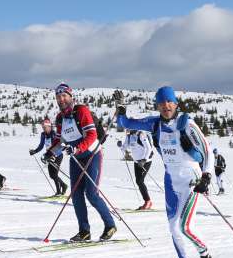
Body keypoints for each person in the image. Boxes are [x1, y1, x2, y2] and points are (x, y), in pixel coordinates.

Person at [115, 86, 215, 258]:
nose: (166, 106)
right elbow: (126, 122)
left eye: (169, 102)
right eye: (162, 103)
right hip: (171, 180)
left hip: (191, 180)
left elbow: (207, 149)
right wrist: (120, 108)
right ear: (158, 105)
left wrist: (207, 176)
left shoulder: (186, 124)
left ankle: (206, 257)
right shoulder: (154, 124)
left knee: (185, 227)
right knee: (172, 227)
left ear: (176, 104)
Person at [44, 83, 116, 242]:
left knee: (92, 194)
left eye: (64, 96)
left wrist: (77, 148)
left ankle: (110, 225)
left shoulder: (81, 111)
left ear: (70, 97)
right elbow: (59, 140)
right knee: (76, 195)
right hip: (76, 158)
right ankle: (84, 231)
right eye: (58, 97)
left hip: (92, 155)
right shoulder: (59, 118)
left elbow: (91, 135)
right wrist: (50, 153)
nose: (61, 99)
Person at [30, 119, 67, 196]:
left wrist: (54, 155)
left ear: (49, 126)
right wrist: (35, 151)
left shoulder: (54, 134)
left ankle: (58, 192)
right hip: (49, 155)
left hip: (57, 155)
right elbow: (41, 145)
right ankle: (64, 185)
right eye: (43, 127)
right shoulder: (43, 134)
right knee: (51, 175)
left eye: (45, 127)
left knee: (54, 174)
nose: (44, 129)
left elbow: (60, 146)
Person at [121, 129, 155, 209]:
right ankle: (147, 201)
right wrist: (121, 146)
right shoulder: (129, 136)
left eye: (129, 128)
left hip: (145, 162)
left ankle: (148, 202)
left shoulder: (141, 134)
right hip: (136, 162)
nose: (127, 130)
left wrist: (144, 160)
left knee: (140, 181)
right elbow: (125, 146)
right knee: (138, 181)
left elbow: (148, 148)